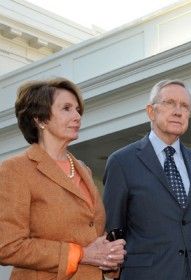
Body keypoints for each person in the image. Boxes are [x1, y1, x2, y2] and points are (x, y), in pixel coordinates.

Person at [0, 78, 126, 280]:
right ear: (39, 119)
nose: (77, 116)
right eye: (66, 108)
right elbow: (8, 246)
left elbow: (91, 236)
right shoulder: (15, 170)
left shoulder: (83, 169)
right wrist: (82, 254)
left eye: (77, 110)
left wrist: (108, 256)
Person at [103, 79, 191, 280]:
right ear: (151, 111)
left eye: (185, 106)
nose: (178, 111)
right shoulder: (122, 162)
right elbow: (113, 230)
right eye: (170, 103)